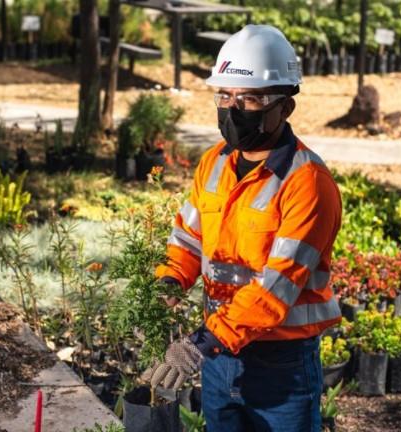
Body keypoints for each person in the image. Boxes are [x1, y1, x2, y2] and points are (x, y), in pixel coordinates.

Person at [141, 24, 343, 431]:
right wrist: (167, 285)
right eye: (225, 96)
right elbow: (187, 240)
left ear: (285, 107)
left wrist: (199, 345)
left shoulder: (307, 182)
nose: (233, 109)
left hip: (281, 366)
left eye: (249, 99)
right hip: (220, 360)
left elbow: (276, 287)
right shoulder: (214, 162)